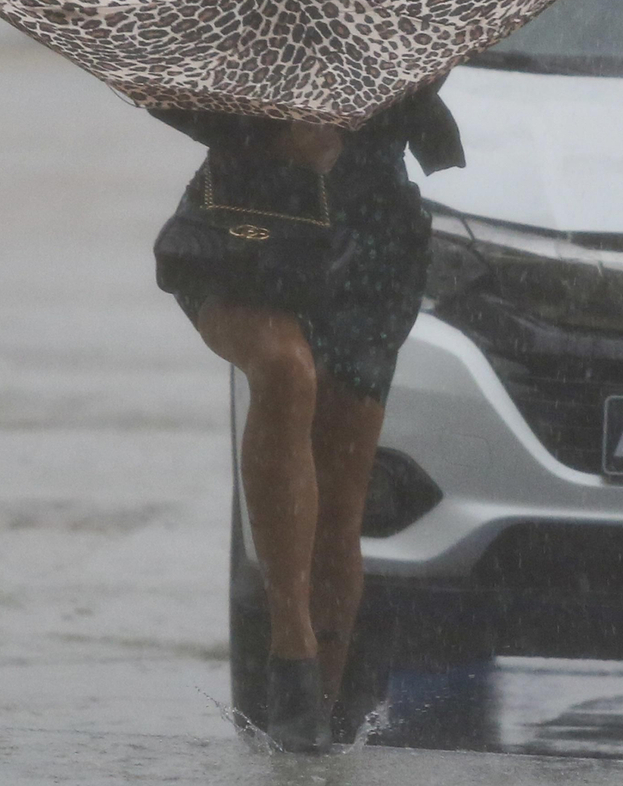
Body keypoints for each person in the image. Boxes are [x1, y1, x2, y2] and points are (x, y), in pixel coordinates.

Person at [149, 83, 463, 753]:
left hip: (373, 240)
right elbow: (174, 89)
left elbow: (430, 75)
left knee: (341, 494)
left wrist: (361, 116)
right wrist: (268, 130)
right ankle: (289, 650)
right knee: (287, 371)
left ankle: (318, 721)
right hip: (249, 220)